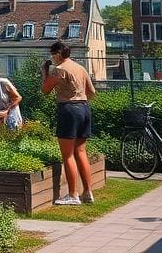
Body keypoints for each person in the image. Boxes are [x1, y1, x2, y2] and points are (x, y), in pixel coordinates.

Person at [41, 40, 97, 205]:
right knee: (81, 152)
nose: (53, 58)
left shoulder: (60, 69)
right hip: (85, 108)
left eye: (53, 55)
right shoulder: (80, 67)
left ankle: (73, 195)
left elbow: (45, 90)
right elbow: (92, 92)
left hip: (69, 110)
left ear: (58, 54)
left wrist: (45, 74)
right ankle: (88, 192)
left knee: (68, 155)